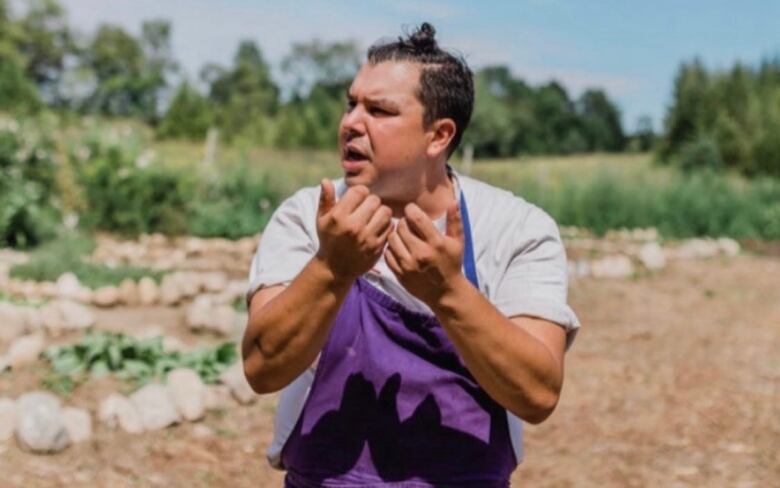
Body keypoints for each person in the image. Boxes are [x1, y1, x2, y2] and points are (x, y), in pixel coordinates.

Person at [242, 22, 580, 488]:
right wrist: (332, 268)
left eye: (379, 110)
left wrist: (448, 292)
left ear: (438, 136)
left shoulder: (516, 229)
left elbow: (538, 394)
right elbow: (263, 368)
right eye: (351, 103)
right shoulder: (308, 216)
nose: (350, 123)